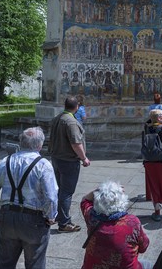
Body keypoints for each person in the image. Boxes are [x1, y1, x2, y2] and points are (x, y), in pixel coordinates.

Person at [0, 127, 58, 269]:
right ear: (40, 145)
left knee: (5, 263)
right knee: (35, 263)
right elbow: (51, 196)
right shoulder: (43, 165)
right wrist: (50, 216)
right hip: (33, 219)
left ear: (21, 142)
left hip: (7, 215)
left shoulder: (5, 161)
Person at [81, 180, 151, 269]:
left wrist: (99, 190)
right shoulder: (133, 222)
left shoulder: (91, 217)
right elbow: (144, 247)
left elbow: (85, 200)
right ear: (122, 200)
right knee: (148, 264)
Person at [49, 95, 90, 232]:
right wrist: (84, 158)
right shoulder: (70, 122)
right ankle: (64, 223)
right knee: (66, 192)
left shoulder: (58, 118)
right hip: (68, 160)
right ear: (76, 106)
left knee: (59, 190)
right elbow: (75, 143)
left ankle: (55, 216)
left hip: (56, 158)